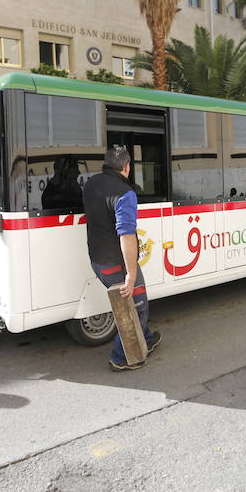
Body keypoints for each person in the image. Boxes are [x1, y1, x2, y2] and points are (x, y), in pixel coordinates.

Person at [82, 145, 161, 371]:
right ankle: (121, 356)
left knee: (134, 303)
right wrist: (131, 274)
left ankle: (144, 338)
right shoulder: (125, 193)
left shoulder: (91, 184)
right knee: (136, 305)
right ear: (127, 166)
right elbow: (126, 235)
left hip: (97, 259)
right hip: (116, 263)